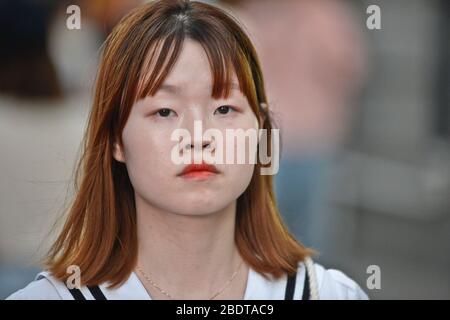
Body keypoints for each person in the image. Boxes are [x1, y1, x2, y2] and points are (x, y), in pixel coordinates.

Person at [7, 0, 368, 300]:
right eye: (164, 111)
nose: (197, 136)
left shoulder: (330, 294)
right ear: (116, 138)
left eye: (224, 109)